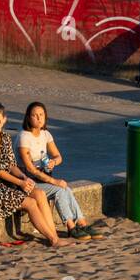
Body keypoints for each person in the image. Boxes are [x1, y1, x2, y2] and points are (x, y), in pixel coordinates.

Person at [0, 103, 60, 246]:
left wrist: (25, 178)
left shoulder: (5, 138)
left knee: (39, 194)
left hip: (7, 183)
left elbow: (12, 165)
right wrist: (20, 183)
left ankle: (55, 235)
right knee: (30, 203)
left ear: (4, 120)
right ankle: (53, 240)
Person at [17, 102, 103, 241]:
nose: (39, 118)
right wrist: (54, 181)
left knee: (66, 188)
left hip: (44, 178)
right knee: (60, 189)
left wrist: (53, 162)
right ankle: (70, 226)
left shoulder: (46, 134)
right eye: (34, 115)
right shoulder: (24, 137)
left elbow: (59, 156)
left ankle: (82, 223)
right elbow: (30, 169)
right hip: (29, 182)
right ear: (28, 118)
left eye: (41, 115)